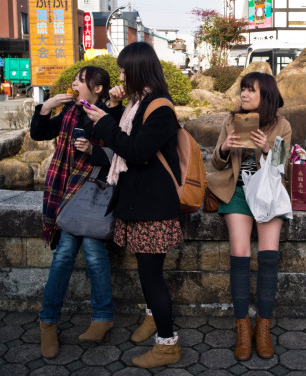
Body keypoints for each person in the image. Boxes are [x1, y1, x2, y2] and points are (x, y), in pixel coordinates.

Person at [82, 42, 184, 369]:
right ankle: (154, 319)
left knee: (151, 277)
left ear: (139, 70)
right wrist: (111, 107)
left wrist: (106, 122)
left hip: (154, 207)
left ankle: (167, 345)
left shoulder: (160, 108)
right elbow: (113, 140)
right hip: (139, 204)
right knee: (146, 274)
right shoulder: (134, 105)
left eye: (125, 69)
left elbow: (135, 150)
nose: (121, 74)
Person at [206, 72, 291, 361]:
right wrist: (225, 148)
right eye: (242, 90)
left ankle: (263, 328)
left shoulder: (282, 124)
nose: (243, 95)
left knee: (269, 255)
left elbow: (283, 167)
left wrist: (267, 148)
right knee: (239, 254)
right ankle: (243, 328)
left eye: (250, 90)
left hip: (267, 192)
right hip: (239, 192)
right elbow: (216, 163)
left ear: (264, 95)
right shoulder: (231, 121)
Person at [31, 66, 115, 359]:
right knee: (67, 252)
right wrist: (46, 107)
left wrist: (92, 150)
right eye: (75, 79)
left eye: (80, 80)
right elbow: (39, 133)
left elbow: (121, 151)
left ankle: (100, 317)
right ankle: (49, 322)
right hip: (66, 190)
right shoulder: (68, 112)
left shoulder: (109, 111)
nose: (74, 83)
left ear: (98, 88)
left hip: (93, 193)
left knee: (91, 250)